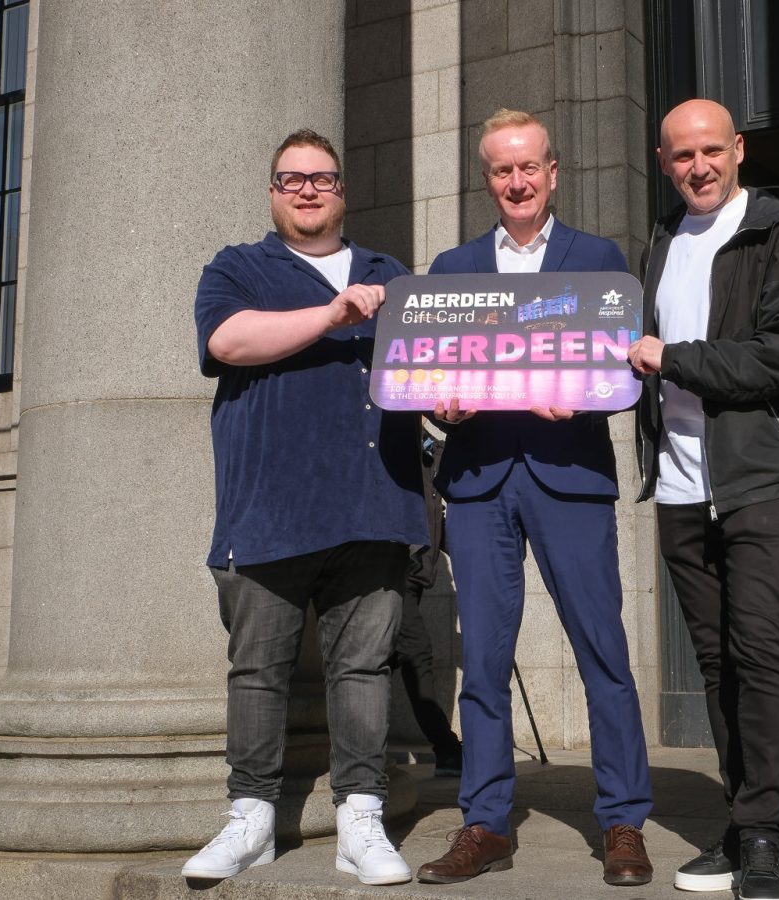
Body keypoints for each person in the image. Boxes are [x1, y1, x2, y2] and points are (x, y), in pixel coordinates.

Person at [415, 108, 654, 888]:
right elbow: (431, 381)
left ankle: (623, 821)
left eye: (529, 167)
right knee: (482, 662)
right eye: (500, 170)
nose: (516, 182)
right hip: (480, 481)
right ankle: (484, 824)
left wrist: (585, 397)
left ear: (553, 172)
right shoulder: (450, 272)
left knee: (602, 652)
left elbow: (622, 376)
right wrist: (439, 406)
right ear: (486, 179)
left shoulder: (600, 259)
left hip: (569, 476)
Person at [185, 129, 428, 886]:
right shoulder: (238, 267)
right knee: (257, 671)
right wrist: (332, 314)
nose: (308, 191)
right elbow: (228, 342)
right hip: (268, 508)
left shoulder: (392, 274)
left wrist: (451, 403)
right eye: (292, 180)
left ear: (342, 191)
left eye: (322, 179)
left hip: (376, 503)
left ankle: (361, 816)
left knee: (363, 669)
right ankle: (250, 818)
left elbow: (430, 371)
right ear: (272, 192)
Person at [627, 98, 779, 900]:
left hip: (761, 479)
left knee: (761, 651)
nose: (699, 167)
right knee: (718, 665)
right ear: (663, 160)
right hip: (681, 487)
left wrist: (670, 358)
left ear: (739, 149)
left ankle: (766, 836)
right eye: (683, 156)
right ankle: (741, 813)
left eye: (712, 150)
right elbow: (637, 362)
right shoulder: (658, 241)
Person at [389, 433, 465, 776]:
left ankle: (371, 746)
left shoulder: (436, 450)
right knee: (414, 653)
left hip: (419, 574)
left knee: (391, 657)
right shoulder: (391, 439)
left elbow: (436, 515)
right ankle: (446, 748)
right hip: (390, 569)